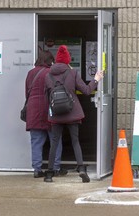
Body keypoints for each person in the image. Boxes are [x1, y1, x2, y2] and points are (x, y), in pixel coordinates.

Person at [44, 45, 104, 183]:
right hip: (72, 113)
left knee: (54, 142)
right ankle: (81, 169)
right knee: (75, 141)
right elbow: (87, 90)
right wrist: (96, 79)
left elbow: (46, 96)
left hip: (56, 114)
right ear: (68, 61)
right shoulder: (72, 73)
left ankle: (49, 173)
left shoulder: (48, 75)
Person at [25, 50, 67, 178]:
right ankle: (55, 168)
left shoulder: (31, 73)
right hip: (49, 110)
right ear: (50, 61)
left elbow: (27, 93)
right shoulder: (51, 73)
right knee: (55, 140)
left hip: (33, 110)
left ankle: (37, 169)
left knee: (36, 141)